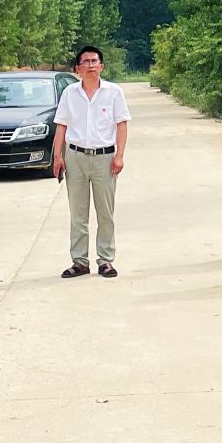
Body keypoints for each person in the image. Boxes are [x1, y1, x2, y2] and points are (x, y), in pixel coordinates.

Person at [53, 44, 132, 279]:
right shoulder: (69, 93)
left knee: (105, 211)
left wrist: (119, 155)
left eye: (94, 61)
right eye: (85, 62)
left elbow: (121, 124)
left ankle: (105, 260)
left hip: (105, 158)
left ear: (101, 66)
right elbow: (61, 126)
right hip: (75, 157)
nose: (90, 66)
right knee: (78, 213)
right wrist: (57, 156)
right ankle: (79, 261)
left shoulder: (113, 92)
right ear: (77, 68)